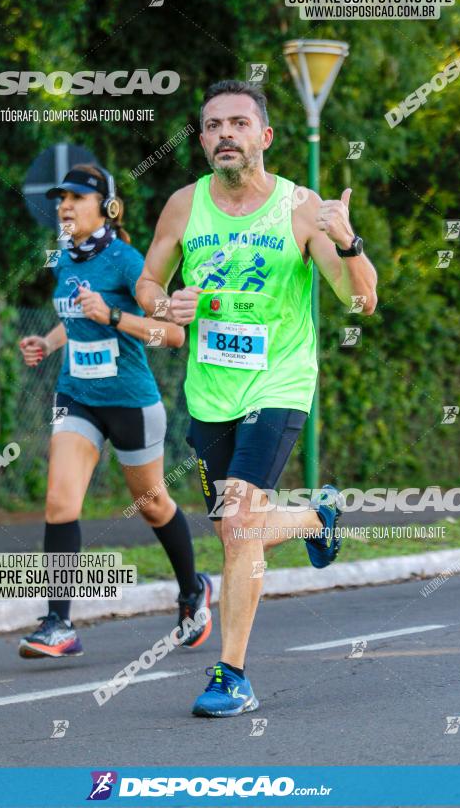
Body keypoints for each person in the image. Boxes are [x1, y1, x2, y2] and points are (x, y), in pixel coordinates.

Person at [136, 81, 378, 717]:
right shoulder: (184, 206)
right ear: (202, 138)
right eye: (213, 125)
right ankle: (316, 518)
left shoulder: (302, 209)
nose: (224, 134)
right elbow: (148, 283)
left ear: (264, 137)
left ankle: (232, 676)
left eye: (239, 123)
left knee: (240, 524)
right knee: (231, 530)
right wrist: (166, 304)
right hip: (210, 392)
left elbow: (361, 301)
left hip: (279, 383)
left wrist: (349, 242)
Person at [17, 163, 211, 658]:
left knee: (151, 504)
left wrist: (114, 316)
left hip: (130, 400)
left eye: (77, 198)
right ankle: (58, 623)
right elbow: (75, 320)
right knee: (60, 502)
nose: (64, 206)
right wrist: (49, 340)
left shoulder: (128, 263)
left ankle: (193, 591)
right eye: (61, 198)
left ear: (107, 207)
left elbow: (173, 334)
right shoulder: (64, 259)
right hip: (76, 396)